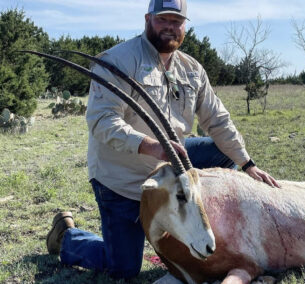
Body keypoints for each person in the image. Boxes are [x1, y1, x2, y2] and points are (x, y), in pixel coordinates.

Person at [46, 0, 279, 279]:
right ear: (148, 19)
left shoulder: (192, 70)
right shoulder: (117, 60)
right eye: (163, 20)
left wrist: (247, 163)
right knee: (124, 268)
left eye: (177, 21)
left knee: (223, 153)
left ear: (185, 26)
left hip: (170, 166)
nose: (170, 27)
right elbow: (101, 121)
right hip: (123, 179)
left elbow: (217, 120)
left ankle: (197, 213)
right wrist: (149, 146)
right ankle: (67, 238)